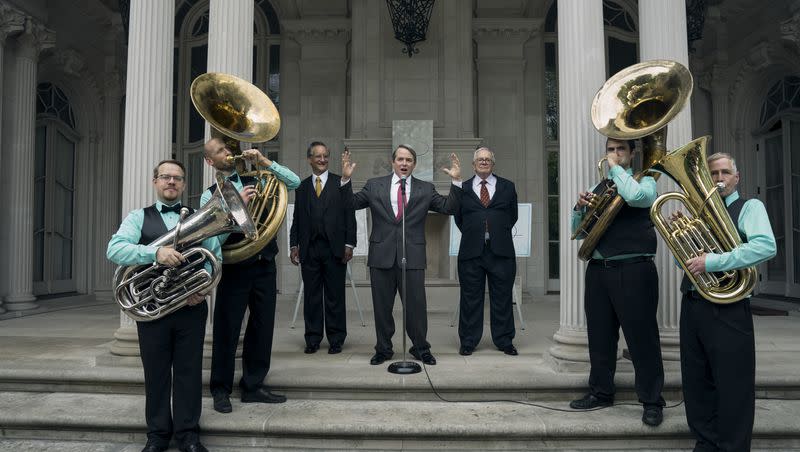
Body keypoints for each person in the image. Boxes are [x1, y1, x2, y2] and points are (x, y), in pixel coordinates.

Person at [107, 159, 220, 452]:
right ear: (155, 181)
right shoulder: (138, 217)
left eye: (177, 178)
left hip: (191, 307)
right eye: (166, 177)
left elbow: (214, 258)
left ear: (183, 184)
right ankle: (157, 435)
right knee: (156, 373)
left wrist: (203, 289)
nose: (171, 182)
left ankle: (188, 435)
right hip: (153, 310)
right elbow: (115, 249)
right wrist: (155, 254)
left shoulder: (201, 217)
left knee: (189, 372)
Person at [678, 152, 776, 452]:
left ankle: (732, 447)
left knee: (734, 385)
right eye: (714, 174)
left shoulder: (751, 207)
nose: (719, 179)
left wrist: (714, 261)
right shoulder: (700, 213)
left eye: (724, 173)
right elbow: (687, 263)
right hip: (694, 304)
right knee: (696, 381)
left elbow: (765, 245)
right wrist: (684, 237)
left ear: (737, 177)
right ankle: (706, 442)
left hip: (729, 308)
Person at [569, 138, 666, 427]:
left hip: (634, 269)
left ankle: (651, 400)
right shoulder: (600, 187)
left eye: (620, 149)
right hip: (599, 269)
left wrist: (616, 171)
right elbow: (579, 232)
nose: (614, 154)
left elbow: (637, 198)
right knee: (600, 337)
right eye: (610, 150)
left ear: (632, 153)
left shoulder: (646, 181)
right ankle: (601, 392)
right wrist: (579, 207)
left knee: (642, 338)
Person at [202, 138, 300, 414]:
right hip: (235, 267)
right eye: (220, 151)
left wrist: (265, 161)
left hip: (264, 264)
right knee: (227, 329)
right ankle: (220, 389)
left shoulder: (256, 177)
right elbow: (210, 239)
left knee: (262, 327)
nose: (227, 153)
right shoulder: (209, 194)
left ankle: (253, 386)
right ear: (211, 162)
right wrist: (235, 209)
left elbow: (294, 183)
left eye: (227, 148)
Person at [341, 145, 461, 366]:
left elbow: (449, 207)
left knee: (416, 307)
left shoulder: (425, 188)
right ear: (393, 161)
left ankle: (420, 348)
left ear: (414, 164)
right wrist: (346, 181)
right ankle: (384, 349)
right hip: (381, 255)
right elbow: (350, 204)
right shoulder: (374, 185)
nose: (404, 163)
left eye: (408, 160)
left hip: (412, 255)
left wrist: (456, 182)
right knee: (382, 307)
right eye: (400, 159)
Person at [290, 141, 356, 355]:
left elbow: (349, 214)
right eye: (317, 156)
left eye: (325, 156)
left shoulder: (342, 182)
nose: (322, 160)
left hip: (335, 249)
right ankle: (313, 338)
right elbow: (297, 219)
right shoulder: (302, 187)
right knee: (312, 297)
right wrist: (294, 245)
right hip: (309, 249)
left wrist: (349, 243)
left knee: (335, 296)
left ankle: (336, 339)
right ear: (309, 159)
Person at [454, 146, 518, 356]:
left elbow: (512, 216)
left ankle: (504, 340)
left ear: (492, 163)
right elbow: (459, 218)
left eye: (487, 159)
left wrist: (495, 230)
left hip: (501, 251)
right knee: (470, 298)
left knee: (502, 297)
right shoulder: (462, 188)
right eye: (480, 159)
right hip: (471, 252)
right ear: (473, 164)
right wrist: (477, 233)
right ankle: (468, 341)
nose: (483, 162)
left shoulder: (507, 187)